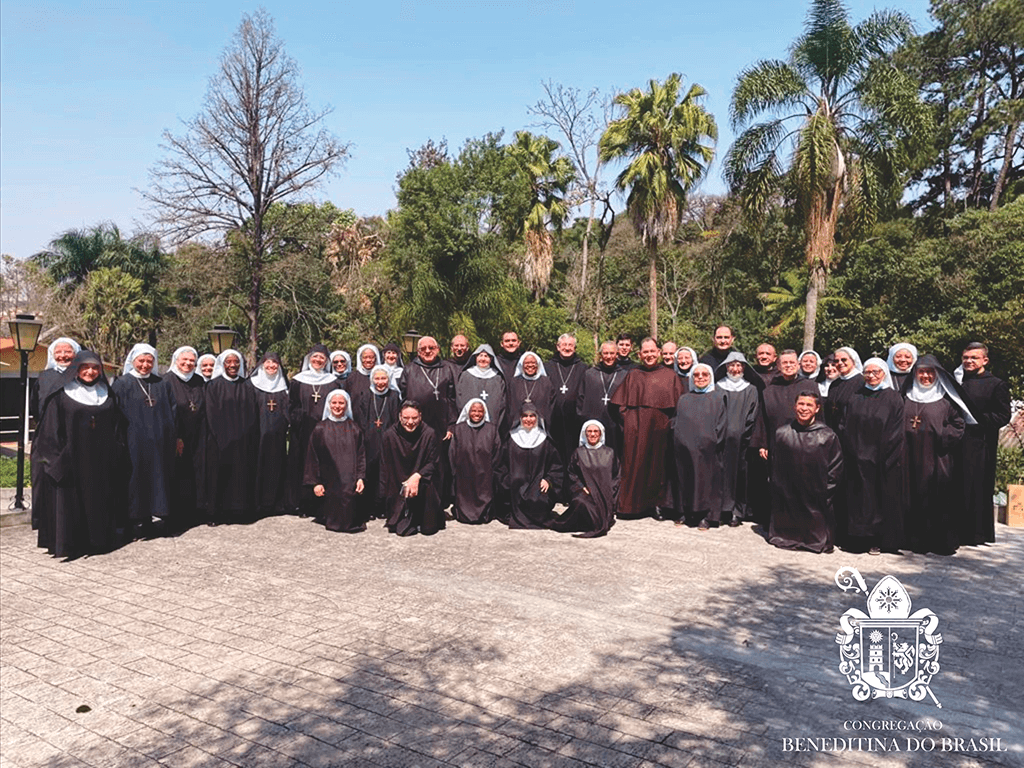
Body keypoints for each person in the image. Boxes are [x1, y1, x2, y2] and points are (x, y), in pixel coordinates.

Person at [33, 350, 121, 558]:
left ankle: (97, 542)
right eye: (85, 367)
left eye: (95, 368)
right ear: (76, 369)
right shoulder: (61, 394)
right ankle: (70, 545)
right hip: (70, 461)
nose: (90, 371)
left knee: (97, 502)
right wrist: (56, 461)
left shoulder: (107, 393)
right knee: (70, 505)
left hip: (99, 462)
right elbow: (49, 431)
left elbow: (116, 427)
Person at [902, 355, 972, 555]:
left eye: (930, 372)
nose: (925, 376)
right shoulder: (905, 395)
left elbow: (959, 424)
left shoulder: (946, 399)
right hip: (907, 456)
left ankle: (939, 542)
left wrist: (941, 437)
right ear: (915, 374)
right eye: (921, 372)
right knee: (910, 497)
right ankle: (911, 540)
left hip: (937, 457)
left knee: (937, 498)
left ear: (937, 374)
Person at [610, 338, 685, 519]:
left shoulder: (670, 376)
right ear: (640, 354)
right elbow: (618, 405)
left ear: (658, 353)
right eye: (646, 352)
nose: (649, 355)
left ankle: (657, 506)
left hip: (661, 430)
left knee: (657, 469)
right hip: (635, 430)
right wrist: (629, 422)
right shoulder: (633, 374)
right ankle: (630, 507)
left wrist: (669, 425)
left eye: (652, 351)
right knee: (633, 467)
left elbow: (679, 407)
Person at [837, 358, 905, 555]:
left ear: (884, 373)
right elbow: (845, 424)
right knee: (856, 501)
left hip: (881, 461)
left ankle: (876, 540)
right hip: (855, 459)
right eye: (867, 372)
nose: (872, 376)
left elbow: (895, 431)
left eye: (876, 372)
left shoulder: (893, 398)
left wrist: (883, 455)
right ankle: (855, 540)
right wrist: (852, 450)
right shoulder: (856, 396)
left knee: (877, 503)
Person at [112, 343, 176, 537]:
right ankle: (135, 522)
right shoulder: (122, 384)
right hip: (133, 443)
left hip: (159, 444)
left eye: (150, 361)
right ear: (133, 361)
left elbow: (172, 413)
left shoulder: (162, 383)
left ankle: (154, 519)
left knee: (157, 481)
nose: (145, 365)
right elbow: (115, 415)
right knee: (135, 482)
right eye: (142, 361)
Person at [768, 393, 843, 553]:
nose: (804, 408)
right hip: (788, 494)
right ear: (795, 407)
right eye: (801, 404)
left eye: (809, 405)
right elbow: (773, 464)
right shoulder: (782, 433)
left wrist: (825, 491)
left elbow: (835, 466)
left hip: (816, 496)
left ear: (817, 409)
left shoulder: (827, 436)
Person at [752, 350, 816, 525]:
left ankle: (801, 524)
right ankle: (780, 524)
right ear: (778, 366)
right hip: (777, 444)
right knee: (779, 485)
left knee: (802, 484)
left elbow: (819, 416)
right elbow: (762, 418)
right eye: (784, 363)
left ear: (798, 365)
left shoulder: (810, 386)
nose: (788, 366)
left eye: (791, 363)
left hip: (805, 443)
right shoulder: (770, 390)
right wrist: (763, 443)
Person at [958, 342, 1011, 545]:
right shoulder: (958, 381)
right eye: (966, 358)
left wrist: (977, 421)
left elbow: (1002, 415)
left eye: (974, 358)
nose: (969, 361)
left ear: (985, 360)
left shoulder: (996, 384)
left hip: (980, 444)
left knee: (976, 487)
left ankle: (976, 534)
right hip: (956, 442)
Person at [30, 337, 81, 531]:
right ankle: (46, 523)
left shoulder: (83, 375)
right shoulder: (44, 377)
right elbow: (35, 406)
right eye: (58, 352)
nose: (63, 356)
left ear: (76, 354)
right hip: (47, 437)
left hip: (75, 436)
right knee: (44, 480)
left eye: (67, 351)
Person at [287, 344, 342, 515]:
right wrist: (299, 419)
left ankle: (322, 505)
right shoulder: (297, 380)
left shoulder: (333, 382)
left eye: (322, 358)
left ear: (326, 361)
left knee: (323, 465)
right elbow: (291, 405)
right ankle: (301, 504)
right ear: (309, 359)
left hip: (325, 431)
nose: (318, 360)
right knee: (302, 465)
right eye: (315, 357)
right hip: (302, 431)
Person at [204, 349, 258, 522]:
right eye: (229, 362)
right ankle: (216, 514)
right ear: (223, 364)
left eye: (236, 362)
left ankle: (240, 512)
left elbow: (252, 413)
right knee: (219, 476)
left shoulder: (247, 385)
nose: (233, 365)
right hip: (220, 441)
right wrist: (222, 436)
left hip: (243, 441)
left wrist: (245, 435)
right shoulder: (213, 386)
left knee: (241, 476)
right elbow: (211, 413)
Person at [673, 363, 727, 529]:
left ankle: (706, 516)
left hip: (708, 451)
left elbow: (722, 424)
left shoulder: (718, 397)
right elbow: (678, 421)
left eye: (705, 374)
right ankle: (687, 512)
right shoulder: (684, 398)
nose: (701, 377)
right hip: (685, 450)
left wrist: (711, 442)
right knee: (686, 480)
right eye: (697, 375)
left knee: (706, 483)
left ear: (710, 377)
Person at [305, 389, 366, 533]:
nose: (337, 406)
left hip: (349, 481)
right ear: (328, 405)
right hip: (329, 482)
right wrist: (316, 483)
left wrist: (361, 478)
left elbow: (361, 456)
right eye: (334, 403)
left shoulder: (354, 428)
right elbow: (312, 458)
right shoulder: (320, 428)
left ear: (347, 405)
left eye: (341, 403)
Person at [714, 352, 764, 526]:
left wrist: (744, 434)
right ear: (726, 367)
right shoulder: (717, 387)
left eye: (738, 366)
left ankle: (737, 511)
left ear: (744, 368)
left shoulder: (751, 389)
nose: (735, 369)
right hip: (720, 441)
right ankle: (720, 510)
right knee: (719, 475)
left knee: (739, 477)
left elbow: (753, 415)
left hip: (741, 442)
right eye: (731, 365)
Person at [379, 401, 443, 536]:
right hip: (398, 484)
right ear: (399, 417)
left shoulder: (429, 433)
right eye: (406, 418)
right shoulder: (389, 435)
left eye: (414, 418)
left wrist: (417, 476)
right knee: (402, 529)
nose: (410, 422)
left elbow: (433, 463)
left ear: (420, 416)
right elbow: (386, 467)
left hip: (423, 482)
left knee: (428, 529)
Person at [551, 420, 619, 539]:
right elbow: (572, 474)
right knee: (581, 502)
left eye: (595, 431)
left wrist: (610, 493)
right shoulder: (579, 453)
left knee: (601, 515)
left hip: (605, 495)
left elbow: (616, 475)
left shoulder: (610, 453)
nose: (592, 434)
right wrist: (581, 487)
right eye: (589, 431)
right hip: (585, 493)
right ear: (585, 434)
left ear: (601, 433)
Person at [499, 407, 562, 529]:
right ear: (520, 418)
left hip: (537, 485)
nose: (528, 419)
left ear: (537, 419)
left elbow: (556, 466)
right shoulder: (511, 439)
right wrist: (508, 481)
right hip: (515, 487)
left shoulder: (545, 440)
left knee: (539, 501)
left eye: (532, 416)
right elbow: (501, 466)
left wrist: (548, 480)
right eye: (525, 416)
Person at [351, 365, 400, 522]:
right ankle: (369, 508)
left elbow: (397, 421)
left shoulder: (393, 396)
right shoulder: (366, 395)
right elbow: (360, 419)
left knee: (386, 475)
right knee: (369, 474)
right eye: (377, 378)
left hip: (388, 441)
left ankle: (384, 507)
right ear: (372, 380)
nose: (380, 382)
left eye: (383, 378)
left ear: (389, 379)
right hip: (368, 441)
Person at [166, 346, 206, 527]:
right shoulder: (166, 380)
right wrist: (176, 436)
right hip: (176, 436)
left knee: (196, 472)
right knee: (178, 473)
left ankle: (195, 511)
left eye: (192, 361)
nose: (188, 364)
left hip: (199, 434)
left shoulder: (199, 380)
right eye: (185, 360)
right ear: (176, 360)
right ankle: (176, 515)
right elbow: (166, 411)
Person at [449, 399, 502, 524]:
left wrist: (491, 471)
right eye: (473, 410)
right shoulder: (458, 429)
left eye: (480, 411)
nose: (477, 414)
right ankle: (463, 512)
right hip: (464, 475)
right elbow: (452, 453)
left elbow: (497, 452)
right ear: (468, 411)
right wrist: (455, 471)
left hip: (485, 475)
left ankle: (484, 513)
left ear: (484, 412)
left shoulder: (492, 429)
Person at [249, 352, 290, 517]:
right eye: (268, 362)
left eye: (275, 363)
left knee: (277, 466)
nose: (271, 366)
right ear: (262, 364)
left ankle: (276, 503)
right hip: (257, 436)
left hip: (278, 438)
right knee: (257, 466)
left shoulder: (284, 386)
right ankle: (256, 503)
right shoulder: (252, 384)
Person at [548, 334, 587, 501]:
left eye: (570, 345)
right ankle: (554, 492)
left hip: (574, 422)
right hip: (552, 421)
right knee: (554, 457)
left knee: (572, 458)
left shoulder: (583, 368)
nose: (567, 347)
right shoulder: (548, 367)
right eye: (564, 344)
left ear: (575, 348)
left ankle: (571, 492)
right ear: (557, 347)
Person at [577, 341, 626, 457]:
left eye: (612, 353)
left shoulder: (624, 376)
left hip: (615, 425)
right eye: (605, 353)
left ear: (617, 354)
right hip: (594, 424)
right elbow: (580, 399)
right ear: (600, 355)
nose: (609, 357)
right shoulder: (589, 374)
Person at [455, 344, 508, 433]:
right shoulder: (466, 375)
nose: (483, 359)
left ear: (491, 359)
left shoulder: (498, 378)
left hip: (491, 425)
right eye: (480, 355)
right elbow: (460, 400)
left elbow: (501, 403)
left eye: (486, 356)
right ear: (475, 357)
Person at [510, 351, 555, 429]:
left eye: (533, 362)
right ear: (522, 365)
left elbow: (551, 406)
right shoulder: (514, 382)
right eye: (527, 363)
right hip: (518, 427)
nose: (530, 365)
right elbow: (510, 406)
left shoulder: (546, 382)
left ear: (538, 365)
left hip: (541, 428)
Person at [825, 347, 863, 430]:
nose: (840, 363)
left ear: (853, 361)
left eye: (844, 360)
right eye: (836, 361)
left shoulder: (862, 382)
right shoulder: (835, 383)